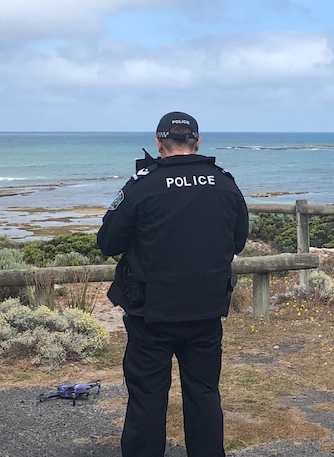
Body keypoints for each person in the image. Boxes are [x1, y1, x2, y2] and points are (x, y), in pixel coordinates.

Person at [97, 111, 249, 457]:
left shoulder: (142, 185)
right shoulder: (224, 182)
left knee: (148, 398)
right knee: (204, 394)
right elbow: (238, 241)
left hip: (151, 313)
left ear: (158, 143)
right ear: (197, 142)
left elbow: (107, 242)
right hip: (206, 312)